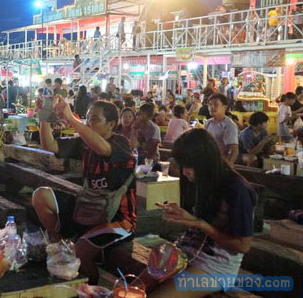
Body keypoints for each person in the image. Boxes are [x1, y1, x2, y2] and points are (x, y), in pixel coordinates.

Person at [138, 128, 256, 296]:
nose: (185, 171)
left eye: (189, 165)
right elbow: (193, 220)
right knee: (132, 290)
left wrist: (199, 224)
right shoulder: (198, 180)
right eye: (182, 165)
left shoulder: (237, 190)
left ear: (205, 160)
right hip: (184, 252)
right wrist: (181, 215)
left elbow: (243, 246)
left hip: (216, 265)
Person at [32, 98, 136, 284]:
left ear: (111, 124)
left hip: (118, 220)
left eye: (95, 119)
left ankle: (92, 286)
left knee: (81, 251)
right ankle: (63, 244)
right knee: (41, 195)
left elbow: (104, 149)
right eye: (88, 118)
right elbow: (50, 146)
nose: (89, 122)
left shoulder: (121, 143)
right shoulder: (84, 143)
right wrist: (44, 117)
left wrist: (71, 119)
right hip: (87, 208)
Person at [205, 94, 239, 164]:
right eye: (210, 104)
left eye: (216, 104)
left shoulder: (229, 125)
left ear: (225, 107)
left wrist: (226, 167)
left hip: (220, 162)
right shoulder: (208, 122)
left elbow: (234, 151)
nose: (212, 107)